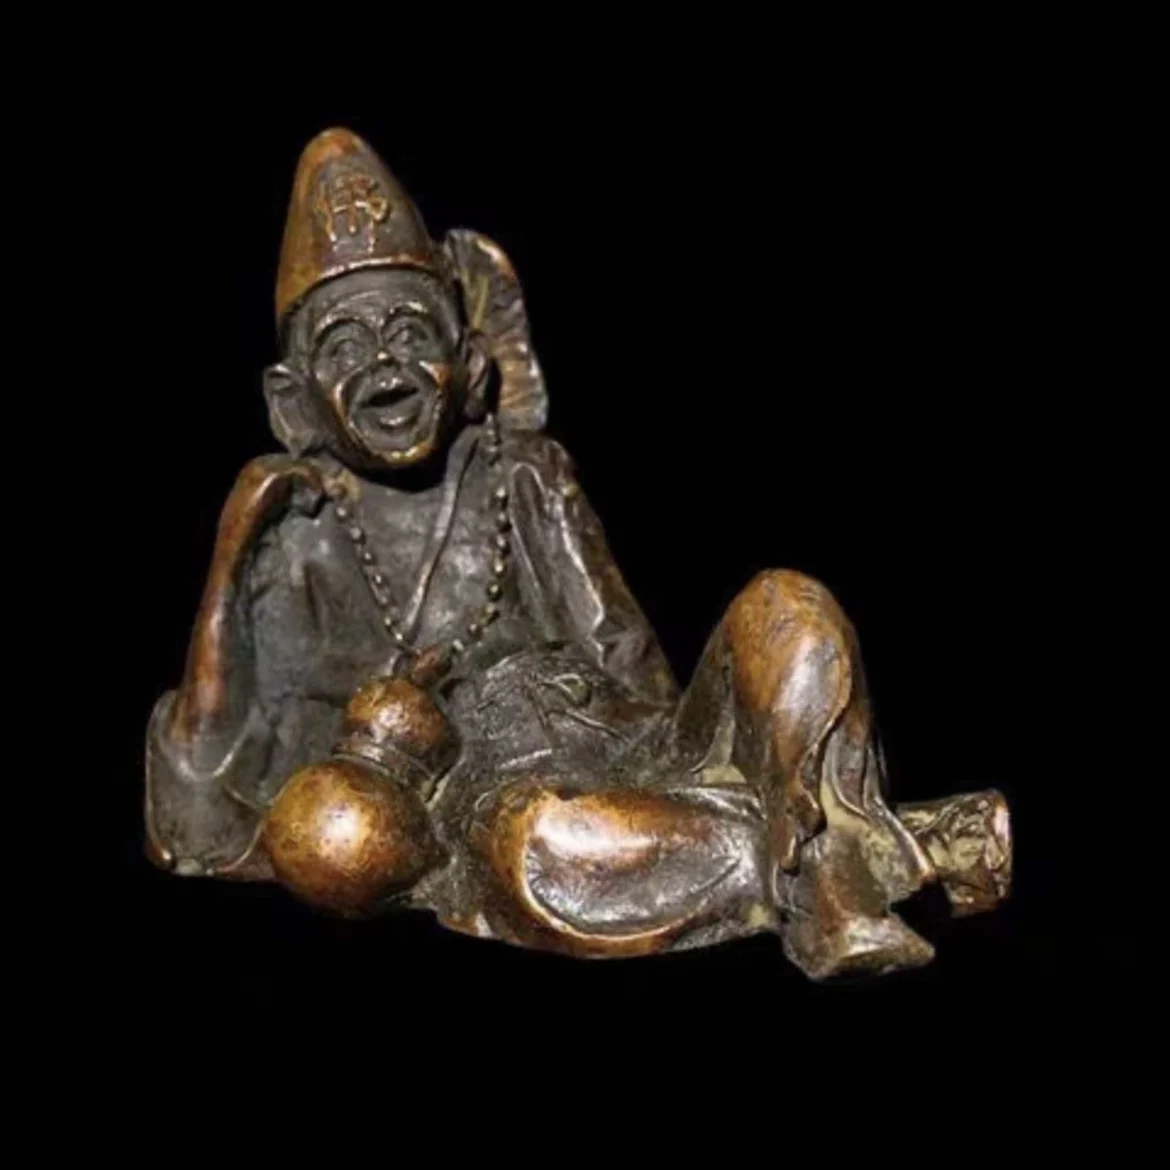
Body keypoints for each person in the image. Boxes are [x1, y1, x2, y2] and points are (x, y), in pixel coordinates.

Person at [146, 129, 1010, 978]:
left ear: (470, 363)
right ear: (291, 401)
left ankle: (826, 859)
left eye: (411, 332)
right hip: (509, 813)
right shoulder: (296, 535)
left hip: (625, 755)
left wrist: (602, 716)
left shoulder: (522, 478)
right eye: (343, 346)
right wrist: (231, 555)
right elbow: (194, 820)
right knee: (544, 841)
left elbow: (637, 678)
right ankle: (866, 858)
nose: (384, 363)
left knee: (786, 607)